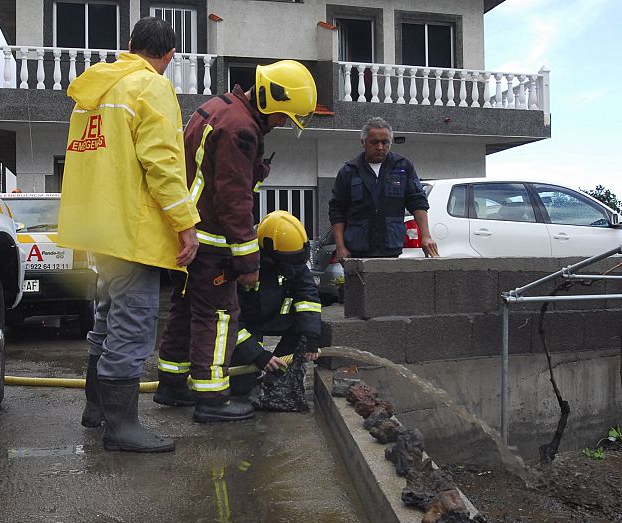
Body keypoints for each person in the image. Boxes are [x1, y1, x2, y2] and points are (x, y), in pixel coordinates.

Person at [57, 17, 200, 453]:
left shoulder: (93, 92)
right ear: (169, 57)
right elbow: (162, 164)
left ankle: (96, 409)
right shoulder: (150, 87)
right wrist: (186, 224)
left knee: (107, 315)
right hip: (131, 229)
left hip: (99, 227)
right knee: (133, 323)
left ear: (129, 44)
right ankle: (121, 427)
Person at [155, 60, 317, 423]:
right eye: (282, 118)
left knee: (186, 311)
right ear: (270, 101)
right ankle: (212, 399)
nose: (280, 125)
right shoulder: (241, 129)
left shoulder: (219, 108)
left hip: (186, 233)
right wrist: (247, 262)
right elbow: (234, 199)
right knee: (219, 316)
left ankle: (172, 382)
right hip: (209, 240)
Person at [229, 211, 321, 397]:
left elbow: (308, 297)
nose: (292, 265)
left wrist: (310, 335)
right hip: (246, 325)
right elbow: (230, 319)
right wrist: (257, 354)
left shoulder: (290, 258)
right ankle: (254, 376)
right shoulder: (242, 263)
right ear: (269, 253)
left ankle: (277, 377)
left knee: (304, 330)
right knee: (239, 389)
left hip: (277, 318)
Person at [329, 117, 439, 260]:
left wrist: (426, 237)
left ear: (390, 142)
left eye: (385, 142)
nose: (380, 147)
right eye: (374, 142)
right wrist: (340, 246)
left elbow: (417, 202)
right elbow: (337, 210)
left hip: (391, 247)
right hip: (357, 250)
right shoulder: (349, 171)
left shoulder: (403, 167)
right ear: (363, 142)